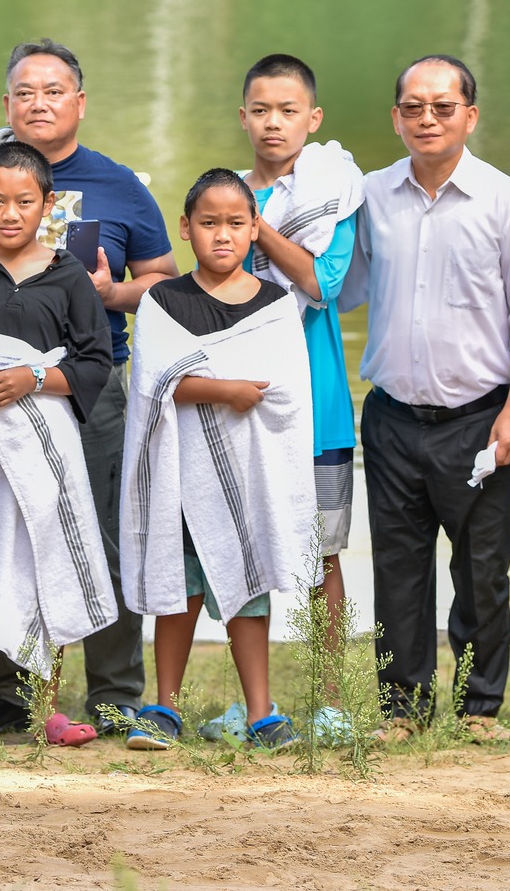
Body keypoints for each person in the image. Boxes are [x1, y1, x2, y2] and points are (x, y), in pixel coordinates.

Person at [0, 39, 177, 734]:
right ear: (6, 104)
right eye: (25, 91)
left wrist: (113, 289)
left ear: (80, 101)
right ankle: (4, 694)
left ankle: (116, 690)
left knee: (99, 529)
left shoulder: (120, 184)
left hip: (90, 388)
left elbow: (163, 279)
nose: (39, 101)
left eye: (54, 89)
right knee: (1, 530)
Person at [341, 54, 510, 744]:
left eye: (442, 106)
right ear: (395, 117)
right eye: (412, 107)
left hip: (481, 417)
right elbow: (341, 287)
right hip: (393, 415)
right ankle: (401, 709)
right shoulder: (370, 196)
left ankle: (477, 706)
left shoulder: (504, 199)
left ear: (470, 114)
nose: (426, 118)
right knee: (397, 569)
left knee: (482, 568)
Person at [0, 141, 117, 746]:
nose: (10, 214)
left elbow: (94, 363)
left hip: (43, 443)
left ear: (48, 204)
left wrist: (33, 377)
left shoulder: (70, 278)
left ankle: (46, 709)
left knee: (45, 557)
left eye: (25, 202)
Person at [120, 169, 315, 753]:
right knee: (179, 593)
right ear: (186, 228)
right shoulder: (162, 299)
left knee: (248, 593)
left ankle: (261, 711)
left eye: (236, 223)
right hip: (181, 475)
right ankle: (163, 707)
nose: (222, 235)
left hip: (248, 479)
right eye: (208, 223)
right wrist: (224, 391)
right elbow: (152, 385)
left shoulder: (276, 304)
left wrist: (210, 383)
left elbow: (285, 393)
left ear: (255, 228)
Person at [225, 52, 363, 744]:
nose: (272, 122)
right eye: (260, 109)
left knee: (323, 554)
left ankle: (330, 698)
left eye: (287, 110)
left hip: (318, 398)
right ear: (242, 116)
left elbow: (320, 283)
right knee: (242, 549)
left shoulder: (330, 195)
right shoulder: (225, 199)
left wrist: (259, 227)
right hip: (241, 397)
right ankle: (256, 703)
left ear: (313, 118)